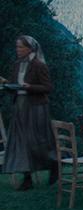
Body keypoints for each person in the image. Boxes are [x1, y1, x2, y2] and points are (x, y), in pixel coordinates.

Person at [1, 35, 56, 191]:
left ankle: (54, 164)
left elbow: (48, 87)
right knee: (22, 141)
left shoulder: (39, 65)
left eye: (20, 47)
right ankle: (27, 178)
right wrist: (6, 84)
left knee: (37, 141)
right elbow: (14, 83)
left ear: (30, 49)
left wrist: (29, 87)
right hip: (20, 106)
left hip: (36, 107)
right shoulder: (17, 64)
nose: (17, 50)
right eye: (17, 47)